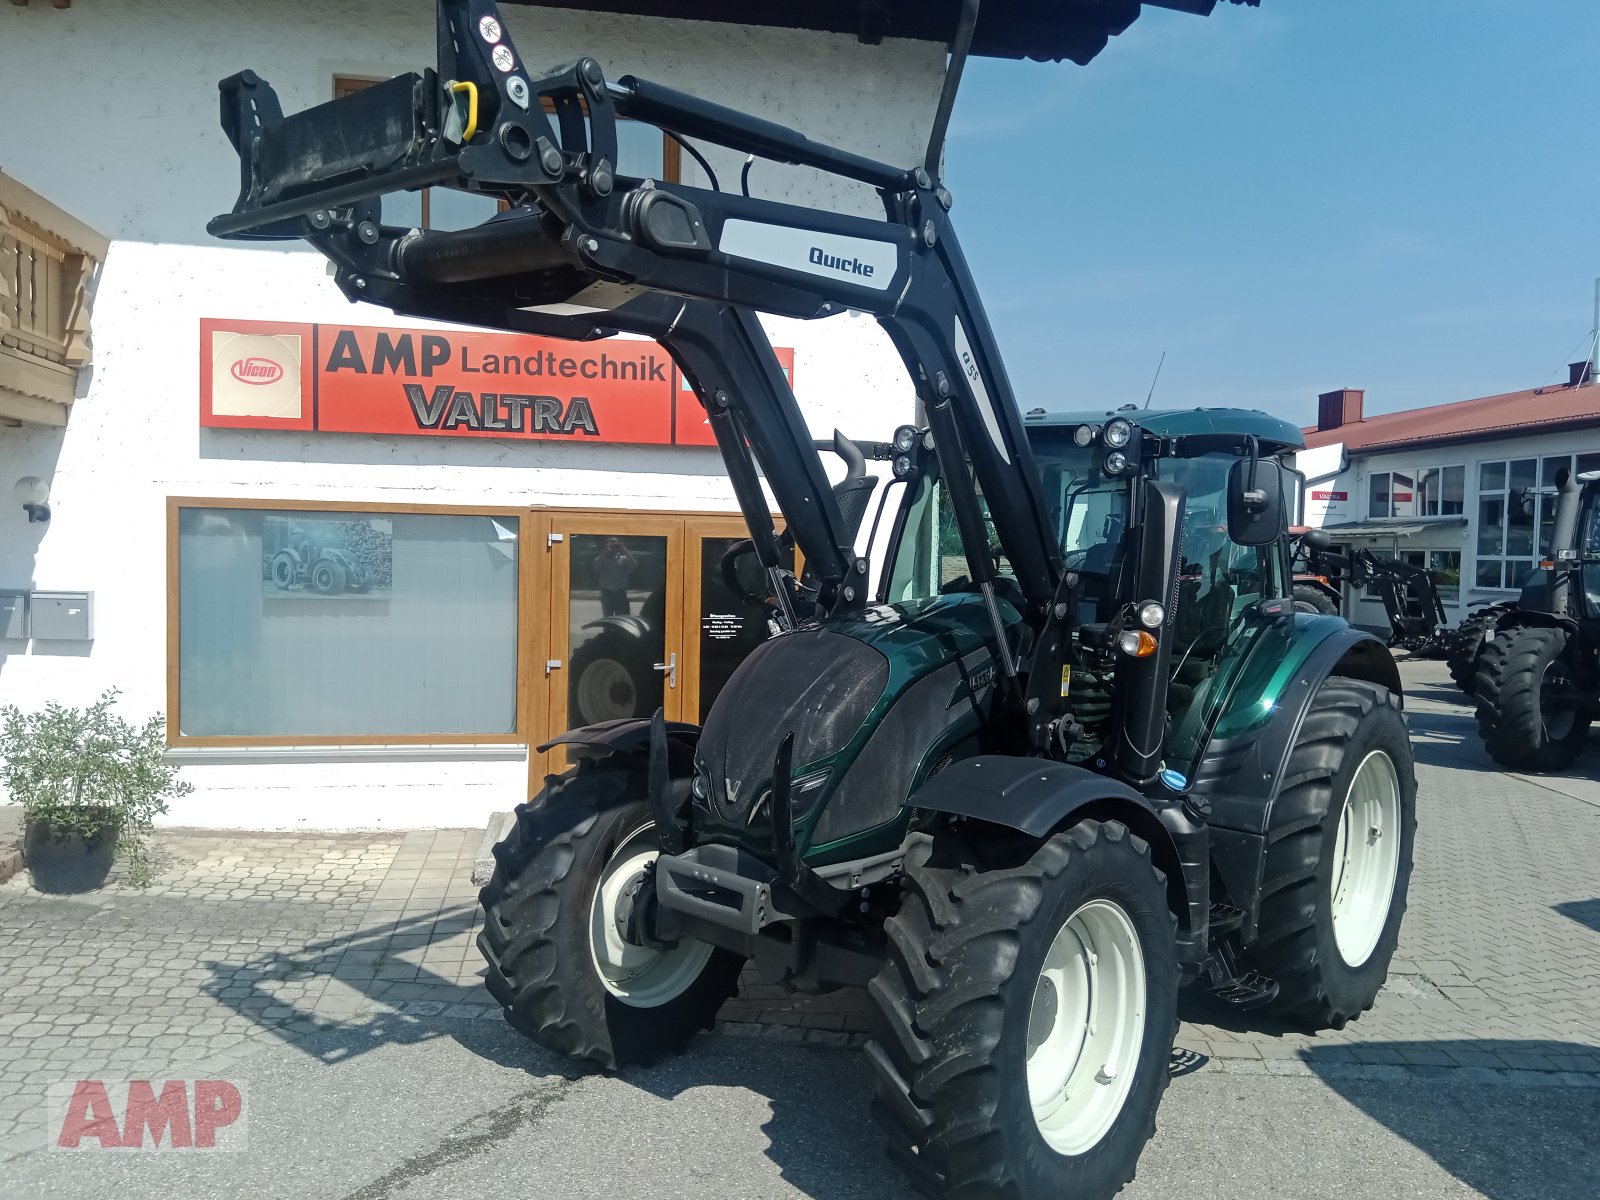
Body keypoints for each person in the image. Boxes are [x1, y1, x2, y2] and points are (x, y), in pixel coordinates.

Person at [593, 538, 637, 616]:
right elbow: (596, 568)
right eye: (611, 546)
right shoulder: (600, 559)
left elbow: (634, 564)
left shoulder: (623, 559)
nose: (613, 548)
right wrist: (605, 552)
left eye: (616, 546)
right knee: (608, 618)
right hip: (607, 593)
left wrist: (623, 549)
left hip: (620, 592)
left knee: (622, 618)